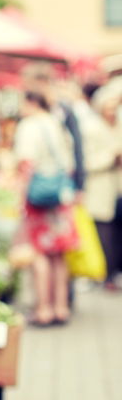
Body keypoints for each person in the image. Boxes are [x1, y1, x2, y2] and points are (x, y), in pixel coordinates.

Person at [14, 91, 79, 325]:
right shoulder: (56, 123)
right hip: (60, 196)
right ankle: (61, 308)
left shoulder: (29, 126)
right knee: (59, 253)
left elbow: (26, 164)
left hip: (38, 198)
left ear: (31, 102)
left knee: (39, 253)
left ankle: (43, 309)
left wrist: (20, 198)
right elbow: (70, 163)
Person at [73, 83, 121, 289]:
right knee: (104, 235)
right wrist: (111, 157)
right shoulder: (90, 128)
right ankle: (105, 274)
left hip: (118, 188)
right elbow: (85, 162)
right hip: (101, 189)